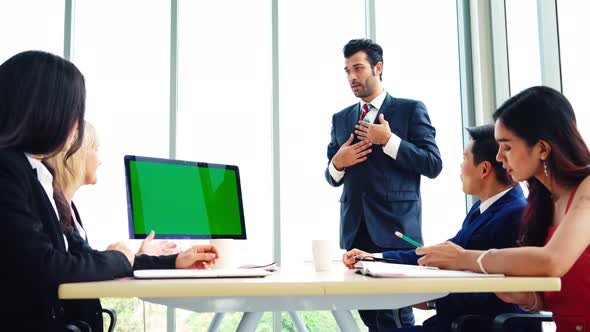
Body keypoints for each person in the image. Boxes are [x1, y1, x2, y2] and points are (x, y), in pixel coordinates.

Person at [0, 51, 218, 332]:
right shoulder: (8, 170)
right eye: (72, 111)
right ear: (42, 110)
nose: (76, 125)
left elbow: (78, 259)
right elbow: (45, 266)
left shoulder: (38, 175)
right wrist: (119, 257)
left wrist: (173, 261)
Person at [416, 86, 590, 331]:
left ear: (542, 148)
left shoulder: (587, 188)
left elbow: (552, 261)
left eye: (506, 147)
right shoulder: (542, 203)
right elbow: (563, 296)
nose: (499, 157)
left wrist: (466, 258)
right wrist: (527, 299)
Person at [343, 124, 525, 332]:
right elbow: (434, 254)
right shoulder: (484, 209)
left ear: (484, 169)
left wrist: (433, 300)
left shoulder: (514, 215)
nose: (460, 167)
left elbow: (503, 293)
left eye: (465, 159)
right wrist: (375, 257)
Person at [325, 39, 443, 330]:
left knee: (395, 316)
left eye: (358, 68)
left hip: (395, 234)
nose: (352, 77)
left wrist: (389, 141)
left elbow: (433, 164)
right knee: (370, 317)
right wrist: (339, 162)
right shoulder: (341, 118)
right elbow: (331, 175)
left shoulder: (410, 109)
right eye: (347, 70)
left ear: (378, 68)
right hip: (356, 232)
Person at [45, 121, 182, 329]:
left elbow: (85, 262)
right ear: (77, 154)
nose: (100, 160)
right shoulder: (52, 207)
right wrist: (119, 257)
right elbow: (74, 266)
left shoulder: (70, 207)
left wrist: (177, 260)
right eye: (96, 149)